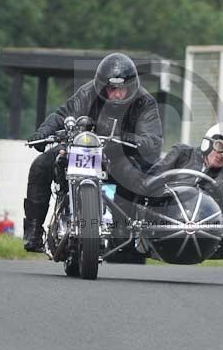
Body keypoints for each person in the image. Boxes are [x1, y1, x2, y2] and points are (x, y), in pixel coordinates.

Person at [23, 52, 163, 252]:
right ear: (102, 87)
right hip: (82, 149)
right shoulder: (87, 93)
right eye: (111, 88)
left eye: (122, 89)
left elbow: (153, 139)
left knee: (138, 175)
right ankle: (34, 232)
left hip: (119, 155)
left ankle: (123, 230)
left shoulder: (144, 102)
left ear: (131, 87)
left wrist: (126, 140)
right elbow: (63, 114)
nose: (117, 94)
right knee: (41, 165)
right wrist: (43, 132)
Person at [144, 122, 223, 210]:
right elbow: (151, 180)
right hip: (167, 217)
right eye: (220, 146)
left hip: (203, 225)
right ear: (209, 142)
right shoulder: (182, 153)